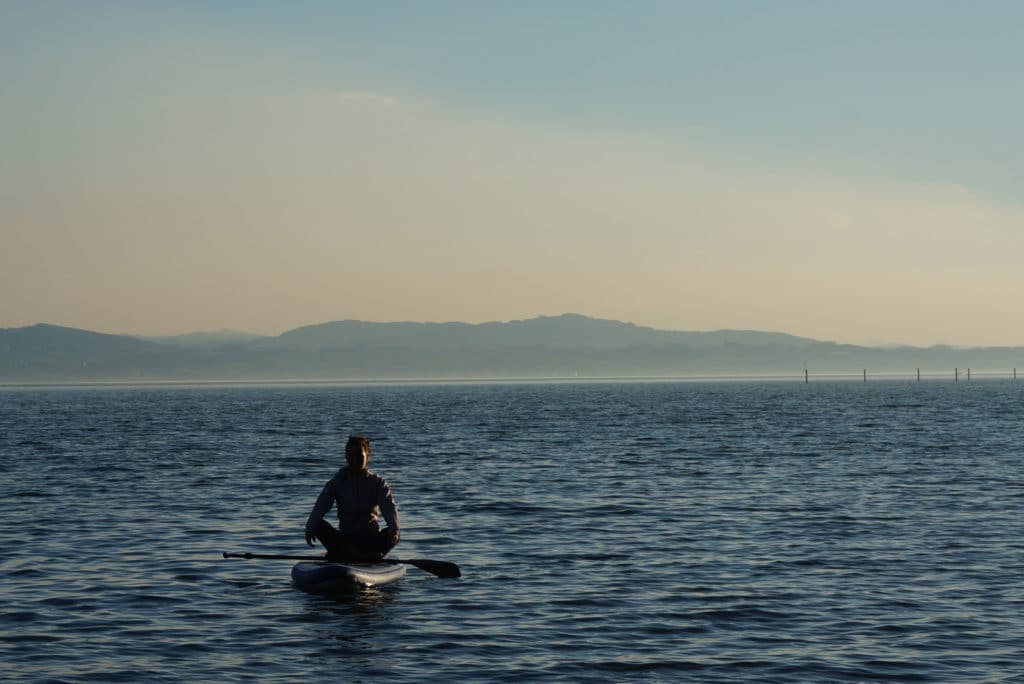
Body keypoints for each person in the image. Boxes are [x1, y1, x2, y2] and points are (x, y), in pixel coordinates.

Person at [304, 434, 401, 562]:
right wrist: (310, 527)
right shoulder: (338, 481)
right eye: (351, 456)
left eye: (359, 456)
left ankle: (355, 554)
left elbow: (389, 508)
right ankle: (355, 554)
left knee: (394, 531)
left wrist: (394, 530)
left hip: (370, 540)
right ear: (346, 457)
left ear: (367, 456)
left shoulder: (377, 483)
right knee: (318, 524)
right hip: (345, 539)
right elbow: (321, 504)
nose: (355, 460)